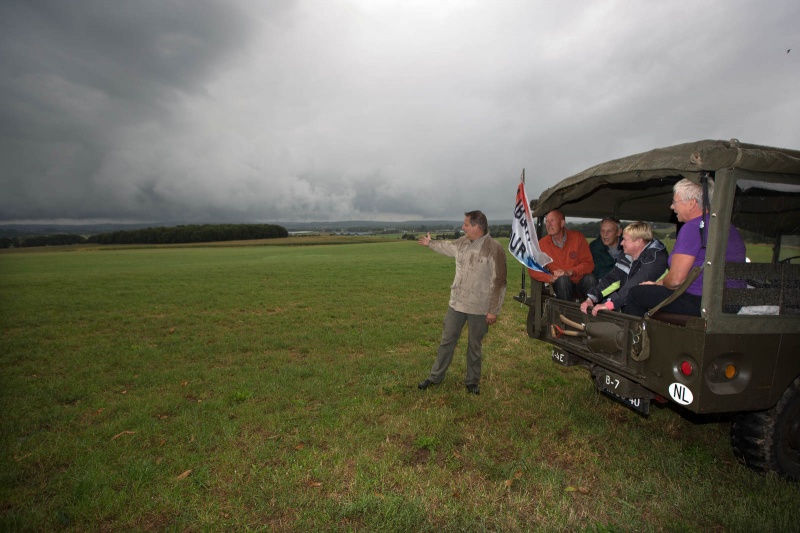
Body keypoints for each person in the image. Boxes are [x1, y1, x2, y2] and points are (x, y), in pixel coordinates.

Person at [625, 178, 746, 317]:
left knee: (636, 294)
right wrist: (658, 284)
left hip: (703, 301)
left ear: (692, 203)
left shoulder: (693, 227)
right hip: (731, 302)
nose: (672, 207)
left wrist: (659, 284)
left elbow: (676, 280)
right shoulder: (727, 227)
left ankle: (638, 338)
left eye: (675, 202)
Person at [417, 210, 507, 395]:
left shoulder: (493, 248)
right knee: (447, 341)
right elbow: (448, 247)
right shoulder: (462, 243)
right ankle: (435, 377)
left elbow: (499, 281)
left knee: (474, 345)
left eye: (466, 224)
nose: (462, 227)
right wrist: (430, 243)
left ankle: (472, 382)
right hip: (456, 304)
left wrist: (493, 310)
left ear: (476, 226)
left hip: (479, 307)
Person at [580, 222, 668, 315]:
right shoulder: (627, 255)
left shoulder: (655, 258)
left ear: (638, 241)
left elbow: (636, 284)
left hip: (656, 308)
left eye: (625, 240)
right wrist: (591, 298)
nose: (621, 243)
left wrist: (611, 304)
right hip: (630, 302)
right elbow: (612, 279)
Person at [528, 209, 596, 301]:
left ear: (562, 223)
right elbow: (533, 269)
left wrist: (570, 271)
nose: (548, 225)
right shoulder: (542, 244)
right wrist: (551, 278)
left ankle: (592, 312)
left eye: (552, 221)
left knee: (590, 279)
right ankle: (564, 314)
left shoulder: (578, 238)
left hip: (580, 281)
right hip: (560, 284)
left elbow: (588, 264)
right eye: (547, 221)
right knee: (563, 280)